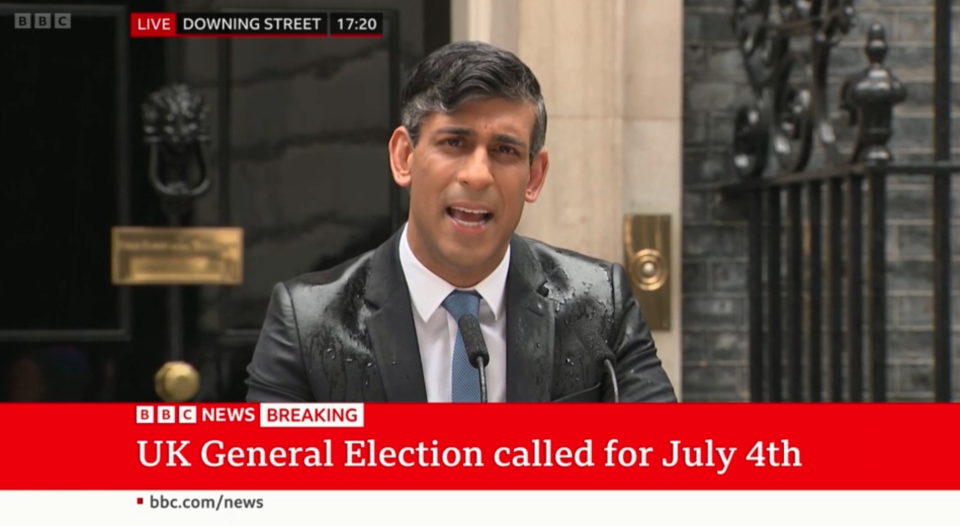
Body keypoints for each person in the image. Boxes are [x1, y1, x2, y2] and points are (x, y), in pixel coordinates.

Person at [246, 41, 676, 403]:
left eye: (505, 150)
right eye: (454, 142)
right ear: (403, 157)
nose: (477, 174)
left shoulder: (600, 306)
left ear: (535, 175)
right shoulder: (308, 321)